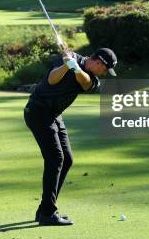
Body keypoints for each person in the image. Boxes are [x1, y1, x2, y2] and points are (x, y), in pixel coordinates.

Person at [24, 47, 118, 226]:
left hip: (54, 115)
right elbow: (52, 80)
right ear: (98, 63)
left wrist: (74, 68)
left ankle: (45, 208)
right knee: (55, 158)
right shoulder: (69, 57)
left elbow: (85, 82)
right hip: (38, 111)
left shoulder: (92, 78)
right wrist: (67, 65)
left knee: (67, 159)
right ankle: (47, 213)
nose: (104, 74)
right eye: (104, 70)